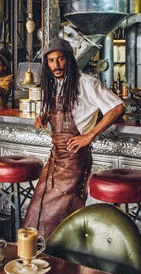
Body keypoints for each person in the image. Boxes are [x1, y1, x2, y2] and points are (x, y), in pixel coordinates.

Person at [23, 37, 125, 237]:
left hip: (75, 159)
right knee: (38, 208)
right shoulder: (55, 84)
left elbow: (118, 107)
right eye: (51, 61)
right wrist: (44, 117)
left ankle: (56, 252)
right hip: (56, 157)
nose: (56, 65)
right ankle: (38, 251)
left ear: (69, 59)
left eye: (60, 59)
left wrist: (90, 135)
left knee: (59, 213)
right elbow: (61, 114)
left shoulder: (86, 83)